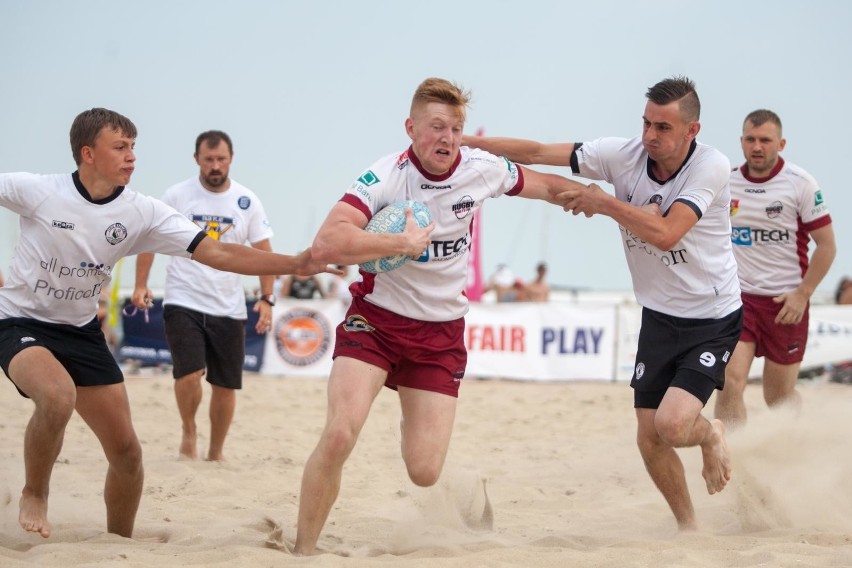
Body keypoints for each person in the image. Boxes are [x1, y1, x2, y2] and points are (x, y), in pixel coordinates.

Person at [0, 108, 333, 539]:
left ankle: (119, 543)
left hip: (81, 330)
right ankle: (36, 492)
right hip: (20, 321)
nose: (132, 157)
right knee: (58, 397)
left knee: (128, 455)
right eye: (120, 147)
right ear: (87, 153)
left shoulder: (141, 212)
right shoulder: (39, 191)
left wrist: (296, 263)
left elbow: (220, 254)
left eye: (134, 147)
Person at [293, 77, 591, 555]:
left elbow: (547, 186)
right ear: (411, 129)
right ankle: (303, 551)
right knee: (340, 434)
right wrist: (398, 244)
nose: (447, 138)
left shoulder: (480, 169)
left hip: (440, 335)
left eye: (455, 128)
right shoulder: (385, 175)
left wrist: (601, 202)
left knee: (425, 470)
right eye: (436, 127)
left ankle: (461, 482)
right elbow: (328, 242)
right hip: (376, 321)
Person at [463, 76, 742, 530]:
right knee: (649, 440)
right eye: (646, 123)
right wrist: (465, 144)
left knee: (672, 426)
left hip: (711, 317)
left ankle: (711, 434)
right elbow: (535, 152)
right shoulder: (624, 153)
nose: (650, 136)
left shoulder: (710, 165)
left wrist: (603, 202)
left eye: (664, 128)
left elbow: (666, 232)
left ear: (692, 131)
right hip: (658, 315)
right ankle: (690, 529)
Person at [132, 130, 278, 461]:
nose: (215, 166)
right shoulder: (177, 195)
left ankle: (216, 452)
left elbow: (264, 253)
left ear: (231, 159)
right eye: (208, 159)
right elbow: (148, 240)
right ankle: (188, 430)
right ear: (196, 159)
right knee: (188, 373)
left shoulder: (247, 201)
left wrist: (267, 299)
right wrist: (141, 284)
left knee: (225, 386)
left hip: (228, 305)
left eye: (221, 159)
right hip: (184, 298)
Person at [712, 110, 836, 426]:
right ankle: (733, 457)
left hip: (786, 304)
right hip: (739, 301)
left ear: (780, 143)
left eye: (765, 140)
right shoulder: (727, 181)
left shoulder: (801, 184)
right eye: (750, 139)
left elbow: (827, 246)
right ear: (741, 142)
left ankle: (794, 443)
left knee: (777, 398)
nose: (757, 146)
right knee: (728, 380)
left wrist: (802, 294)